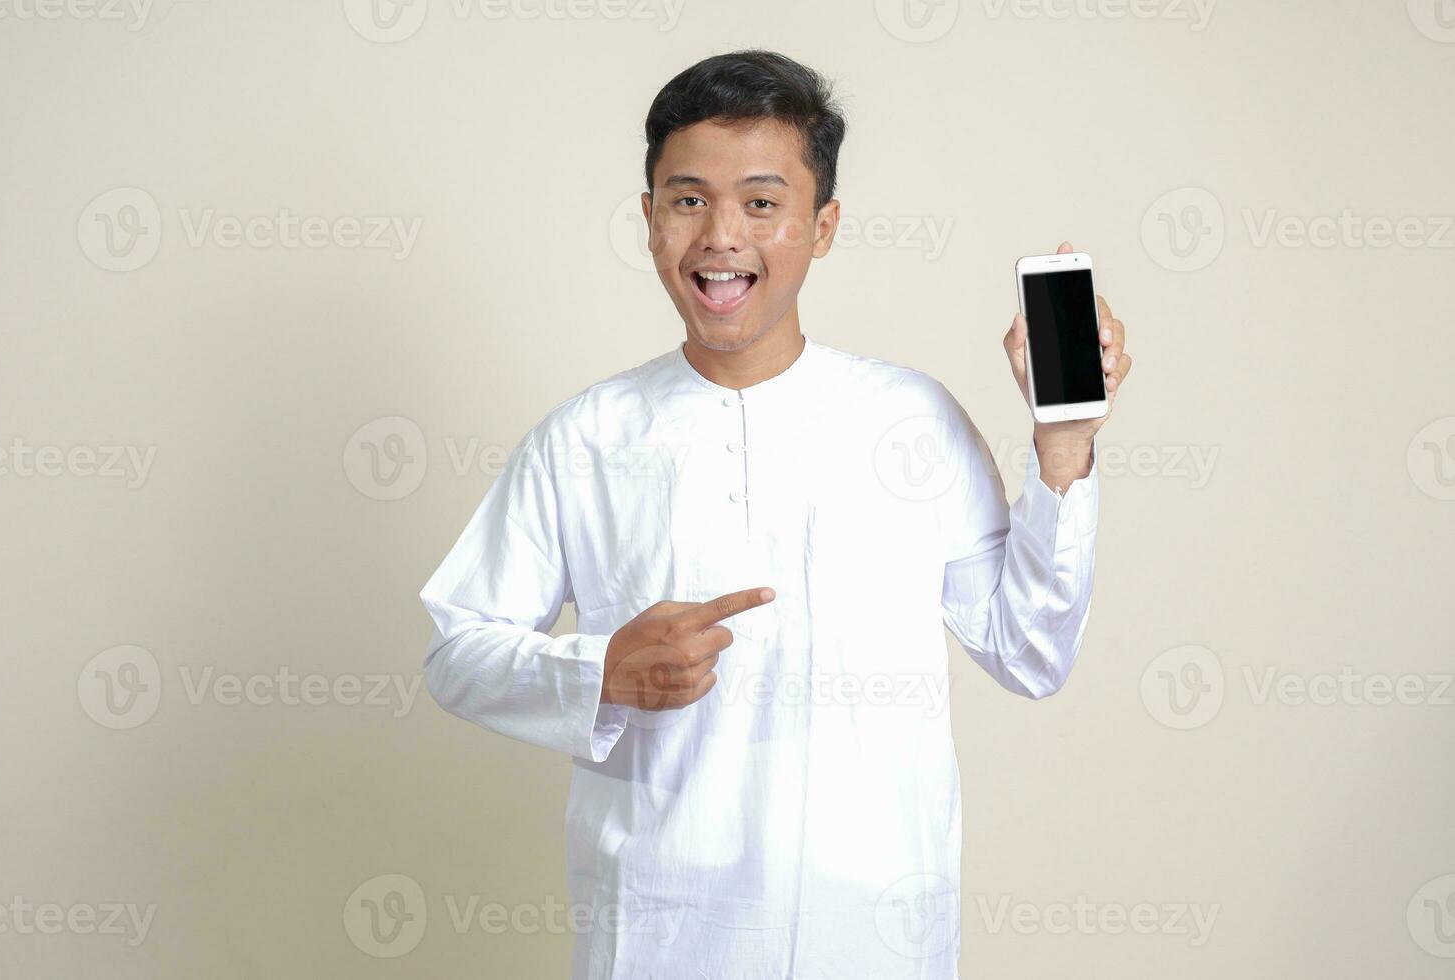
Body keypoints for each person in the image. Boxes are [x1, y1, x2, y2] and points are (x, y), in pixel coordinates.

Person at [419, 48, 1132, 980]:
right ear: (648, 220)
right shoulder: (585, 439)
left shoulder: (910, 421)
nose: (721, 236)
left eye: (761, 202)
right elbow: (454, 652)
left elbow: (1031, 651)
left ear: (822, 225)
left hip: (873, 937)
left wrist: (1064, 448)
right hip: (665, 937)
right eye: (687, 200)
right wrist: (601, 671)